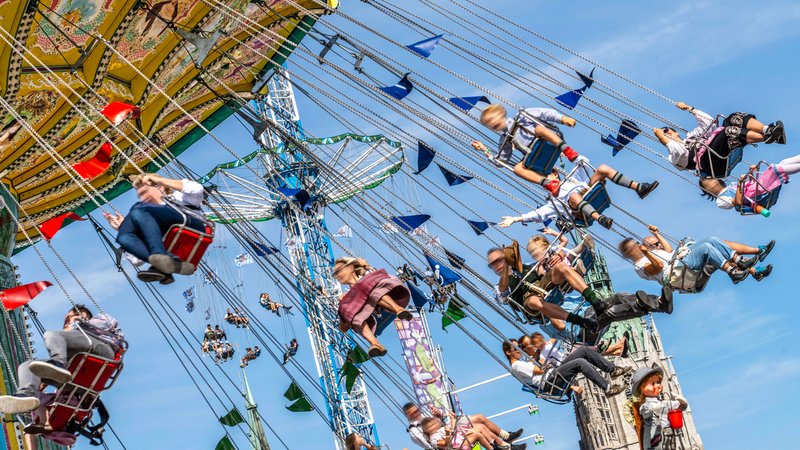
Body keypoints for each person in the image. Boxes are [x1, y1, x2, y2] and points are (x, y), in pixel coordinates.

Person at [0, 305, 123, 415]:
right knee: (27, 366)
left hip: (101, 348)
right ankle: (25, 395)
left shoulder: (99, 319)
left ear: (82, 315)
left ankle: (58, 363)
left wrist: (77, 323)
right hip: (75, 380)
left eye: (67, 319)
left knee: (52, 335)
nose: (65, 324)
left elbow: (108, 323)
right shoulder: (71, 342)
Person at [496, 156, 658, 229]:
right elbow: (538, 214)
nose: (549, 178)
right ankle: (600, 219)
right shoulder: (554, 200)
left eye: (550, 174)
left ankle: (639, 188)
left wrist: (572, 156)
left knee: (602, 168)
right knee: (573, 197)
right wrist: (516, 219)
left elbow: (585, 163)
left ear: (556, 174)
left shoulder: (571, 178)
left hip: (588, 191)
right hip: (581, 212)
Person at [104, 173, 206, 283]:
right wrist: (122, 228)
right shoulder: (148, 222)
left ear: (159, 187)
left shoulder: (178, 197)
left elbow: (197, 190)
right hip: (170, 238)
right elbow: (137, 261)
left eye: (144, 192)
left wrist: (161, 180)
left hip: (190, 224)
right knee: (123, 238)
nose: (143, 198)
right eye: (140, 196)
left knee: (137, 210)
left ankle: (159, 257)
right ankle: (170, 266)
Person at [472, 104, 581, 194]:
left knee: (539, 129)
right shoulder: (505, 139)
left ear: (500, 113)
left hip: (547, 141)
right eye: (488, 124)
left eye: (492, 119)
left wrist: (562, 118)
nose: (492, 123)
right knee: (517, 169)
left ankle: (567, 150)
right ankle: (547, 183)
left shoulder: (522, 116)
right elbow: (501, 161)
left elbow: (544, 113)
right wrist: (484, 150)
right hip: (535, 156)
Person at [653, 102, 785, 176]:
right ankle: (768, 137)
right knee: (727, 132)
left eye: (666, 131)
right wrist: (661, 137)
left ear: (675, 131)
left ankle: (768, 131)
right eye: (665, 135)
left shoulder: (691, 136)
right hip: (710, 164)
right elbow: (679, 151)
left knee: (732, 118)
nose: (666, 134)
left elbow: (708, 122)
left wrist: (690, 109)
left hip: (716, 149)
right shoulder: (673, 156)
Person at [619, 225, 774, 286]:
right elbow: (659, 266)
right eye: (634, 246)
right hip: (678, 273)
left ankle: (742, 262)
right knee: (707, 248)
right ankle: (734, 271)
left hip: (682, 262)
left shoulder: (651, 252)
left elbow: (668, 250)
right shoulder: (639, 266)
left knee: (713, 240)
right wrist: (648, 252)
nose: (638, 246)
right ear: (630, 252)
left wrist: (657, 235)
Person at [334, 257, 413, 357]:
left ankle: (398, 309)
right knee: (355, 318)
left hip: (383, 291)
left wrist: (366, 266)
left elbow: (380, 277)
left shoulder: (367, 276)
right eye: (336, 273)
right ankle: (375, 344)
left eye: (340, 270)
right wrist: (343, 309)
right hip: (367, 308)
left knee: (370, 290)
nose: (339, 275)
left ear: (351, 268)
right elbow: (343, 327)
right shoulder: (348, 297)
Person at [503, 338, 626, 398]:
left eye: (519, 346)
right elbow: (540, 370)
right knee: (580, 363)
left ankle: (613, 370)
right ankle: (608, 388)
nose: (519, 350)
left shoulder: (522, 362)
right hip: (550, 381)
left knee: (583, 351)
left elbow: (540, 366)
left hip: (553, 374)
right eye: (516, 348)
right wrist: (545, 364)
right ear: (508, 353)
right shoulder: (516, 366)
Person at [699, 154, 800, 216]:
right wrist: (740, 183)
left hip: (757, 190)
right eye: (707, 185)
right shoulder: (720, 200)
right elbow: (738, 202)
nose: (711, 184)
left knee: (783, 163)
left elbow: (750, 184)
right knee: (775, 169)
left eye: (711, 181)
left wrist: (751, 172)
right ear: (707, 191)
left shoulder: (731, 185)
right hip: (757, 198)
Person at [402, 403, 523, 450]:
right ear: (408, 415)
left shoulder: (426, 414)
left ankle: (506, 438)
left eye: (416, 410)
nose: (417, 413)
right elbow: (431, 443)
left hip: (449, 430)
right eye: (413, 413)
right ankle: (505, 446)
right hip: (448, 440)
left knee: (480, 418)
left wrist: (439, 415)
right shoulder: (414, 431)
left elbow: (441, 422)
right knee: (479, 428)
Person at [630, 366, 689, 450]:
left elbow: (680, 407)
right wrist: (661, 406)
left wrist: (683, 402)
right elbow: (648, 410)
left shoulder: (663, 403)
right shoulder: (645, 406)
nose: (658, 385)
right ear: (641, 388)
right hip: (654, 439)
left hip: (668, 434)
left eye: (658, 382)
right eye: (653, 383)